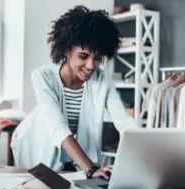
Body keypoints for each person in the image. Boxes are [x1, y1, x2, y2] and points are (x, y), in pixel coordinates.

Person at [9, 5, 137, 178]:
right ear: (66, 50)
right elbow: (58, 128)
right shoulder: (42, 76)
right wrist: (91, 169)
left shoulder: (102, 79)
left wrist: (142, 152)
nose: (91, 66)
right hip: (34, 140)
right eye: (83, 56)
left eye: (97, 58)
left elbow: (123, 121)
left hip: (68, 147)